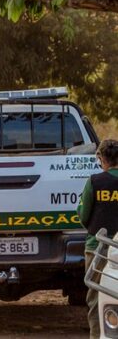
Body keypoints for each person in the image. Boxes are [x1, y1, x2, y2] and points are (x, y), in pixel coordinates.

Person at [77, 139, 118, 339]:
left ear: (101, 158)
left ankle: (97, 335)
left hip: (97, 248)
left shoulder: (94, 181)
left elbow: (83, 214)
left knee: (95, 296)